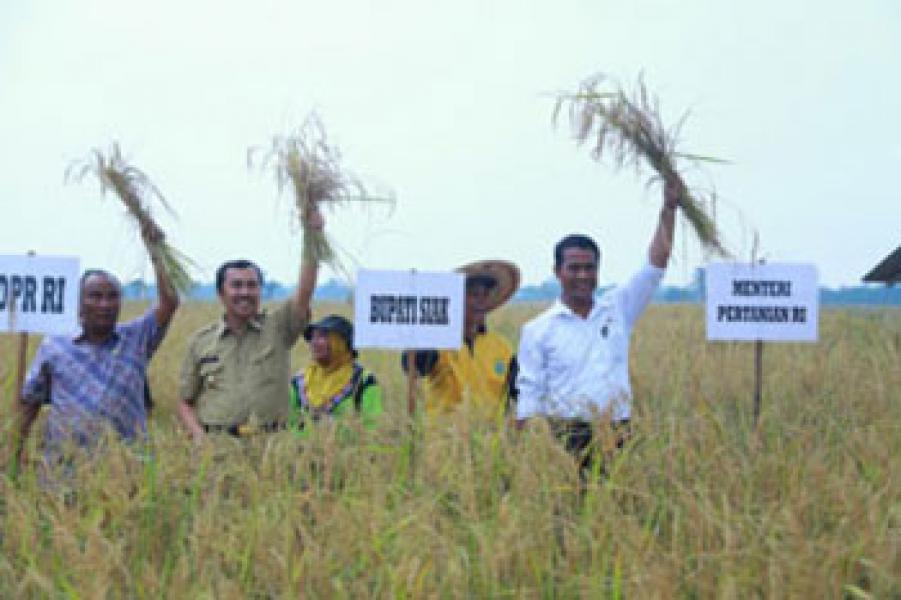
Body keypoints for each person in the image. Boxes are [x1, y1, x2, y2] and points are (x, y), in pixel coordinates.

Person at [515, 179, 681, 465]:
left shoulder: (617, 309)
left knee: (618, 504)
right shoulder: (538, 329)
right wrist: (529, 452)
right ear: (558, 271)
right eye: (574, 268)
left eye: (589, 268)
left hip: (617, 432)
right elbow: (529, 394)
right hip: (564, 437)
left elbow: (655, 266)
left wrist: (669, 209)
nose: (582, 275)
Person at [15, 224, 180, 468]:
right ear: (79, 303)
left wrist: (156, 252)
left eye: (112, 296)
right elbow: (30, 401)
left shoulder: (136, 338)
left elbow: (169, 301)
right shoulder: (55, 346)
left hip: (127, 466)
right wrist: (13, 454)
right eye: (95, 296)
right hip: (65, 467)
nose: (105, 304)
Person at [177, 210, 323, 441]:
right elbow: (185, 401)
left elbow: (304, 292)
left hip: (270, 446)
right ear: (220, 293)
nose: (244, 292)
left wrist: (312, 236)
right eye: (236, 285)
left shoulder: (279, 327)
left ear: (260, 290)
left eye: (251, 285)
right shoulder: (200, 342)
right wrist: (198, 436)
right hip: (218, 447)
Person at [403, 260, 520, 420]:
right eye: (474, 294)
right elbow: (413, 366)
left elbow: (515, 398)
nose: (481, 302)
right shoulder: (437, 342)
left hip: (491, 441)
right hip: (446, 441)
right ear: (454, 300)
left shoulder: (502, 348)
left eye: (485, 295)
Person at [290, 314, 382, 432]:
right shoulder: (299, 381)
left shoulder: (363, 381)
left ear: (340, 343)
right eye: (313, 337)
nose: (314, 342)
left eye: (322, 337)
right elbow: (288, 426)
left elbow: (373, 428)